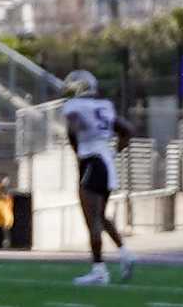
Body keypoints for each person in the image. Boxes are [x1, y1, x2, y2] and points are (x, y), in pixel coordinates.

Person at [62, 70, 135, 285]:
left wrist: (78, 150)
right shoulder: (104, 106)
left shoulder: (74, 107)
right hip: (106, 162)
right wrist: (114, 152)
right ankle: (125, 254)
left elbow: (73, 131)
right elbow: (127, 130)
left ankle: (99, 270)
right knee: (100, 216)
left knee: (92, 219)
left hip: (92, 161)